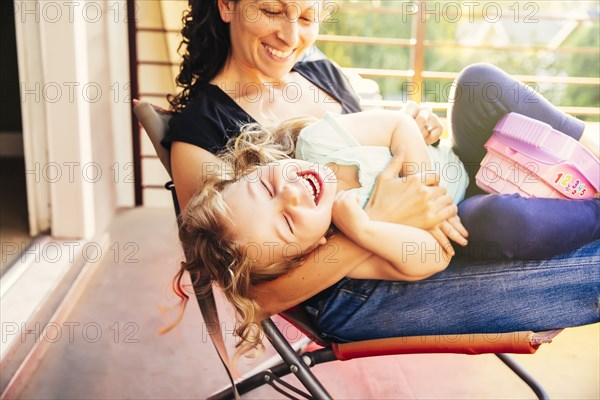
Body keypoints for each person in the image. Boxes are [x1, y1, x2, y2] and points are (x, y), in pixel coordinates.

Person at [163, 0, 599, 346]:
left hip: (435, 185)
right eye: (272, 11)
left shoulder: (317, 72)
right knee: (502, 222)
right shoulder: (200, 131)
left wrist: (417, 133)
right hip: (366, 279)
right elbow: (258, 296)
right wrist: (374, 222)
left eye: (308, 15)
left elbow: (377, 144)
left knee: (479, 83)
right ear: (226, 5)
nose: (290, 35)